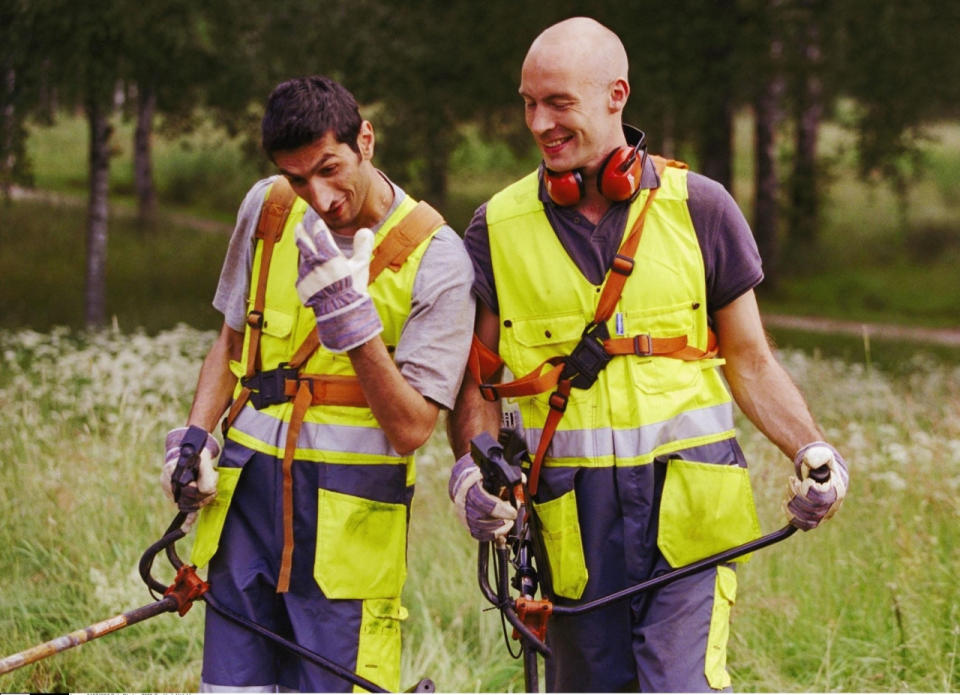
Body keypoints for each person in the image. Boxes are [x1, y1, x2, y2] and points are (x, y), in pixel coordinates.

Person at [447, 17, 848, 692]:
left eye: (559, 103)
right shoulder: (496, 227)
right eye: (528, 102)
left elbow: (749, 359)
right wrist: (469, 474)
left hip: (689, 524)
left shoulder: (703, 208)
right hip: (570, 534)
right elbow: (481, 385)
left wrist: (813, 451)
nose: (538, 122)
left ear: (616, 95)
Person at [160, 75, 475, 692]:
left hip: (346, 537)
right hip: (245, 515)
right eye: (299, 178)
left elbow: (413, 429)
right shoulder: (268, 206)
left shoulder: (436, 257)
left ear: (366, 140)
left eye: (331, 169)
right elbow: (229, 342)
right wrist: (194, 438)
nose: (319, 195)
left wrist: (356, 331)